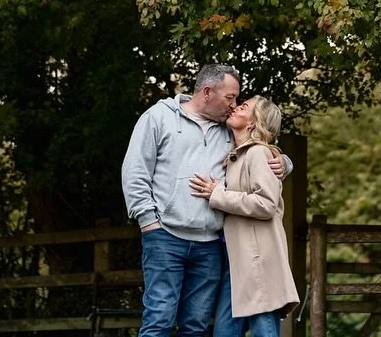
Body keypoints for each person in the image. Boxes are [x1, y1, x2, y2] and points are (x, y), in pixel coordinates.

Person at [122, 65, 288, 337]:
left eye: (238, 101)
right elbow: (135, 171)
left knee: (196, 326)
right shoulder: (159, 118)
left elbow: (258, 150)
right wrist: (148, 222)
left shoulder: (227, 130)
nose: (233, 106)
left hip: (209, 245)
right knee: (158, 320)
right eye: (230, 98)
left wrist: (284, 162)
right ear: (208, 92)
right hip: (165, 237)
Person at [188, 96, 300, 337]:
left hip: (258, 261)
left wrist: (218, 194)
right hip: (236, 262)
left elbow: (266, 204)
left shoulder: (258, 153)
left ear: (252, 123)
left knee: (263, 330)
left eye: (244, 107)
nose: (236, 107)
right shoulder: (235, 156)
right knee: (224, 332)